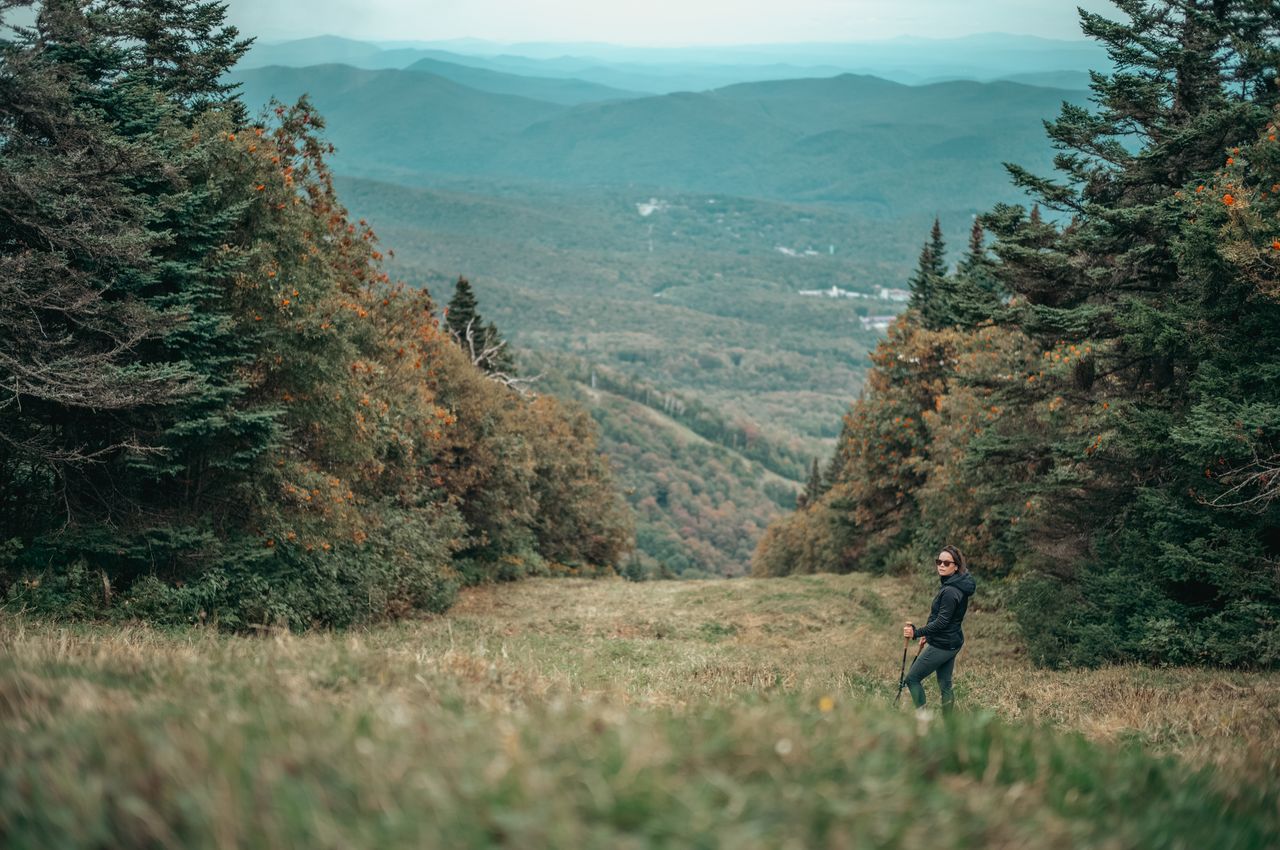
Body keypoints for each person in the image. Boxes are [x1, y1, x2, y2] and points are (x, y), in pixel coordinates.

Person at [902, 545, 976, 714]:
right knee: (945, 685)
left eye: (946, 563)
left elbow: (942, 622)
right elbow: (943, 617)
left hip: (943, 644)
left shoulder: (950, 591)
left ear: (956, 566)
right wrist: (928, 634)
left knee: (912, 679)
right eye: (939, 562)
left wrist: (917, 632)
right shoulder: (956, 584)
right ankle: (949, 726)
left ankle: (923, 718)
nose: (941, 565)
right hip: (952, 641)